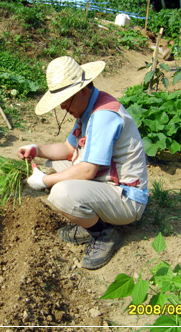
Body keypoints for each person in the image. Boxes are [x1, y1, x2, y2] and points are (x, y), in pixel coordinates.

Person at [18, 56, 149, 270]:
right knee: (52, 163)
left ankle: (103, 234)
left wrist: (45, 181)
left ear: (82, 91)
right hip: (106, 183)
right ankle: (88, 220)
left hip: (126, 198)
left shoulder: (103, 116)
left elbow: (88, 170)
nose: (62, 107)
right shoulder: (88, 109)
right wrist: (37, 149)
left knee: (60, 191)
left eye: (66, 99)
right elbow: (70, 149)